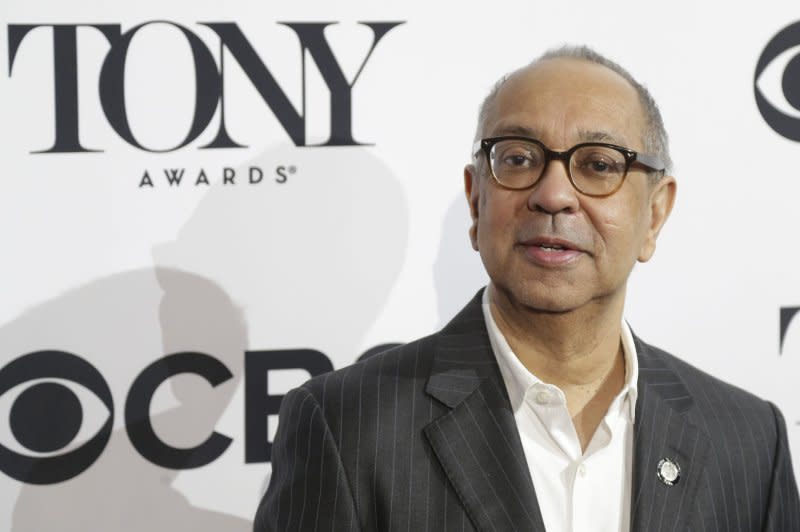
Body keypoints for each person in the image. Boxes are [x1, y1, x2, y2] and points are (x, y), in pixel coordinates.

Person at [254, 45, 800, 531]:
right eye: (518, 158)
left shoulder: (750, 441)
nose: (555, 194)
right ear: (476, 201)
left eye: (599, 164)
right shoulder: (346, 428)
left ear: (654, 215)